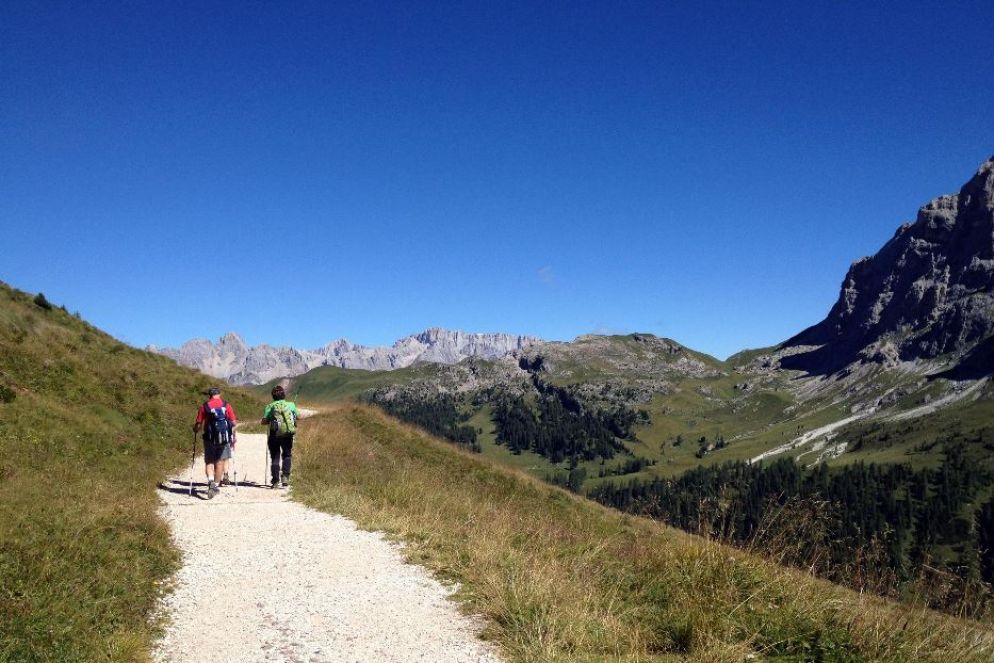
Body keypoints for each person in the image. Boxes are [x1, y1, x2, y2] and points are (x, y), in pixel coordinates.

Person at [193, 387, 238, 499]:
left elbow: (198, 423)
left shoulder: (205, 406)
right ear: (219, 394)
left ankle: (211, 481)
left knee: (209, 461)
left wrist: (195, 430)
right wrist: (231, 434)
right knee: (220, 462)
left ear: (210, 395)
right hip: (223, 438)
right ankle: (216, 485)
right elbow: (233, 422)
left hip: (209, 437)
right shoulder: (226, 404)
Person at [261, 385, 299, 488]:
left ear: (273, 396)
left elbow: (264, 421)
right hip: (287, 434)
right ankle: (285, 477)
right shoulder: (291, 405)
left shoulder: (269, 406)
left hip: (274, 434)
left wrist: (267, 420)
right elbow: (298, 417)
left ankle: (275, 480)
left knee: (275, 456)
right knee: (287, 455)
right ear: (284, 395)